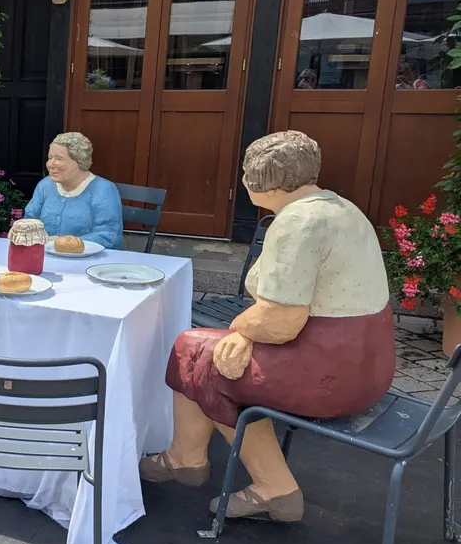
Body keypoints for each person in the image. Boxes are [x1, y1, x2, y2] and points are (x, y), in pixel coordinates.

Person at [140, 130, 395, 522]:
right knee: (195, 346)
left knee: (204, 363)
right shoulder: (342, 207)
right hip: (368, 366)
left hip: (328, 373)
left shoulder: (298, 222)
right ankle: (184, 457)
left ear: (259, 179)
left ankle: (272, 488)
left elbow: (280, 320)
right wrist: (243, 334)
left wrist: (241, 330)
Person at [24, 132, 123, 249]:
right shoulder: (45, 185)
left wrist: (65, 244)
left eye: (59, 159)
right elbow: (29, 220)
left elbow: (109, 235)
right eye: (50, 158)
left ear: (79, 162)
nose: (51, 164)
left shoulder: (103, 190)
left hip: (89, 260)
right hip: (44, 257)